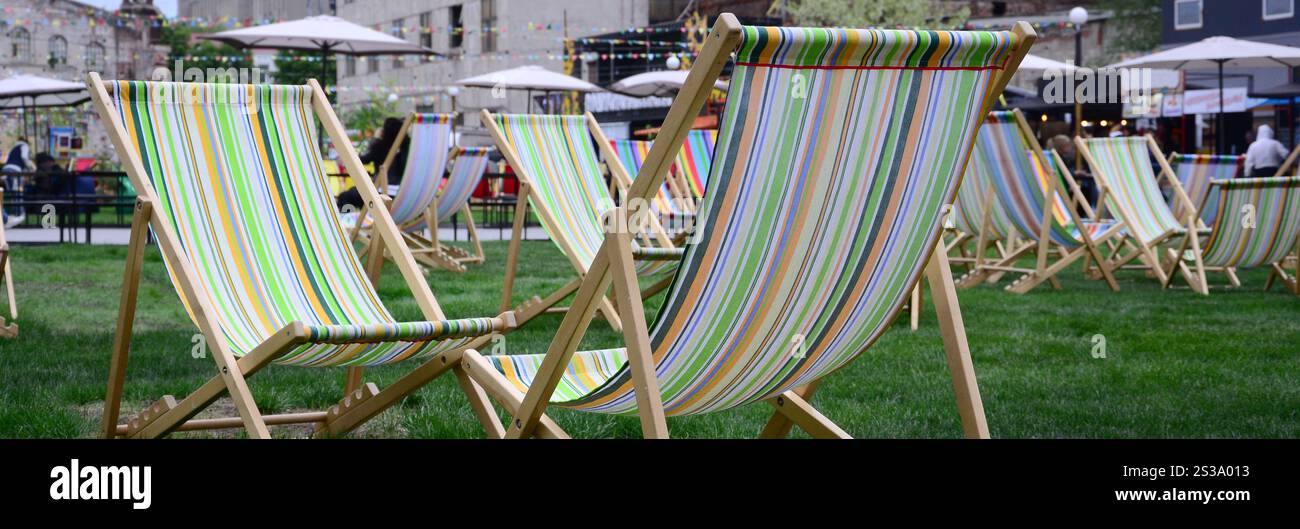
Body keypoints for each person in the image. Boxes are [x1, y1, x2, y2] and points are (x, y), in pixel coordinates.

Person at [336, 117, 410, 211]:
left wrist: (375, 139)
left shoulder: (380, 146)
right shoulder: (408, 150)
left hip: (381, 194)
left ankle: (349, 221)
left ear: (385, 131)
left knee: (345, 197)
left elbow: (363, 160)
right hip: (403, 195)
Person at [3, 137, 33, 228]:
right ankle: (20, 216)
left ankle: (15, 216)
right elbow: (24, 157)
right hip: (15, 171)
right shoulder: (24, 146)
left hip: (6, 170)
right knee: (18, 194)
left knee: (13, 194)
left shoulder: (14, 148)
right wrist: (31, 166)